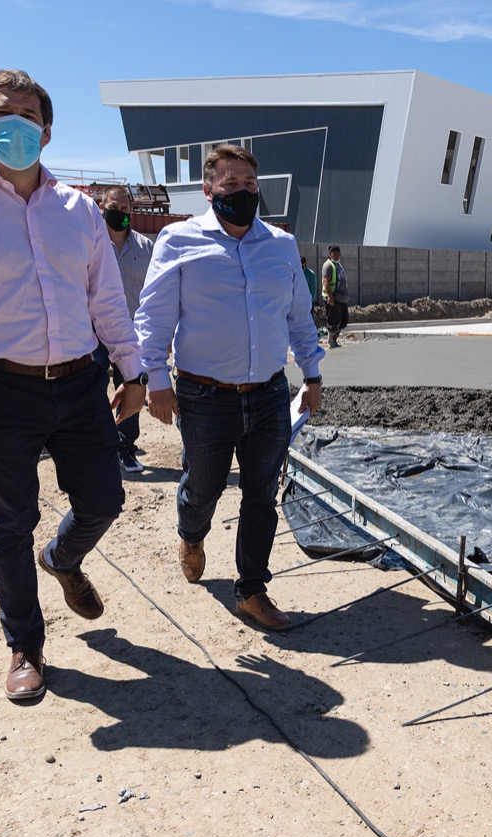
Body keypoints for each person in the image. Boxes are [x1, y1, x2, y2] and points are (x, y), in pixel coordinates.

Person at [0, 69, 147, 702]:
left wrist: (133, 371)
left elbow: (108, 302)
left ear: (47, 128)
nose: (17, 125)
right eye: (3, 114)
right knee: (10, 521)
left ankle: (62, 559)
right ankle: (25, 646)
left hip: (79, 381)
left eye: (29, 115)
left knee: (104, 501)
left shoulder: (79, 212)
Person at [135, 144, 324, 631]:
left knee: (262, 492)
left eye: (250, 184)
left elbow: (299, 318)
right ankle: (191, 533)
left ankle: (251, 590)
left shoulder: (281, 246)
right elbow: (153, 319)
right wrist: (155, 380)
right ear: (208, 189)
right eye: (231, 184)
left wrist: (314, 375)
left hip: (268, 394)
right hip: (203, 396)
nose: (242, 192)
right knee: (203, 488)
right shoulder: (178, 241)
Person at [96, 185, 155, 475]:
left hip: (131, 336)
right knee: (90, 389)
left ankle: (125, 449)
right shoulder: (89, 245)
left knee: (132, 389)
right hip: (93, 335)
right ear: (102, 206)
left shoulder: (146, 249)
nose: (118, 213)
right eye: (113, 207)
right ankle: (92, 446)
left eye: (123, 209)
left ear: (131, 211)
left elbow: (155, 293)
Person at [322, 245, 350, 348]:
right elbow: (326, 281)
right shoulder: (328, 265)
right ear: (330, 254)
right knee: (333, 321)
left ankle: (334, 338)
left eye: (338, 253)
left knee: (344, 321)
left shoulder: (338, 265)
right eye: (335, 253)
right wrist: (330, 297)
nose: (338, 255)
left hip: (342, 299)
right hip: (334, 298)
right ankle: (331, 341)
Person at [302, 256, 324, 334]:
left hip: (307, 302)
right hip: (297, 302)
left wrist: (309, 301)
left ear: (304, 263)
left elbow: (313, 290)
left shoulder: (310, 274)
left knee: (309, 320)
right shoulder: (296, 273)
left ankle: (311, 334)